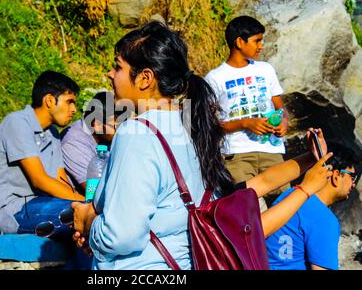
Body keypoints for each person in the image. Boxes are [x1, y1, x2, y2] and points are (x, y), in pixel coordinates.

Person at [70, 21, 333, 270]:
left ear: (145, 78)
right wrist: (307, 161)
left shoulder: (136, 133)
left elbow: (122, 235)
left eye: (118, 67)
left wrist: (89, 222)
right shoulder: (192, 127)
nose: (110, 74)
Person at [204, 15, 289, 210]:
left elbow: (279, 106)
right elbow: (209, 124)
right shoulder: (215, 78)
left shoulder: (266, 70)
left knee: (285, 208)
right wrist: (245, 123)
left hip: (272, 152)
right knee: (246, 212)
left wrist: (284, 121)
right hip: (238, 157)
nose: (261, 46)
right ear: (239, 42)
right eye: (257, 41)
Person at [0, 70, 84, 237]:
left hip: (42, 203)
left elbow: (59, 179)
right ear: (49, 100)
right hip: (13, 209)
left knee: (87, 218)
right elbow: (39, 180)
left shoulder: (52, 132)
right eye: (69, 102)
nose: (74, 109)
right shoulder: (17, 122)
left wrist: (83, 203)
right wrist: (84, 202)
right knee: (81, 215)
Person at [265, 142, 359, 270]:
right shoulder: (324, 220)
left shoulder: (290, 195)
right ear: (336, 176)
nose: (353, 184)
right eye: (352, 177)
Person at [61, 91, 128, 191]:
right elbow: (95, 191)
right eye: (116, 127)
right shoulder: (74, 143)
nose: (121, 132)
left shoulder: (105, 136)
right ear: (97, 125)